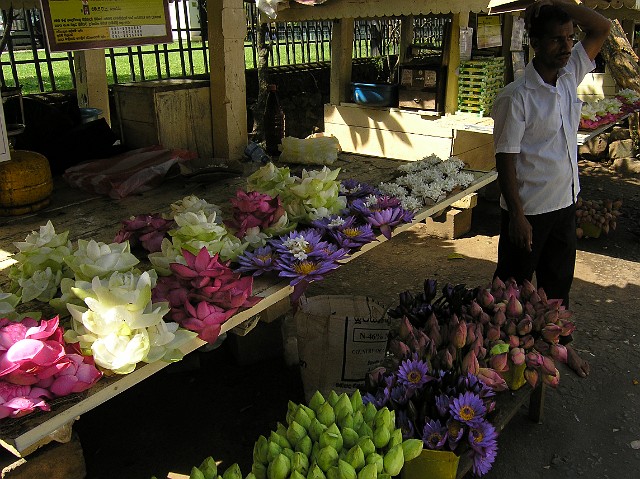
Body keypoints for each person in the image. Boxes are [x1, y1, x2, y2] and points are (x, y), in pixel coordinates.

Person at [490, 0, 611, 378]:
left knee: (558, 287)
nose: (566, 46)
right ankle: (502, 359)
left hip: (563, 204)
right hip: (529, 213)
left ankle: (561, 349)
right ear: (536, 43)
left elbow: (602, 28)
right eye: (557, 40)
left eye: (569, 38)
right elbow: (506, 160)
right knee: (513, 292)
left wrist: (561, 2)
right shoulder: (516, 97)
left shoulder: (570, 75)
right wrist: (518, 217)